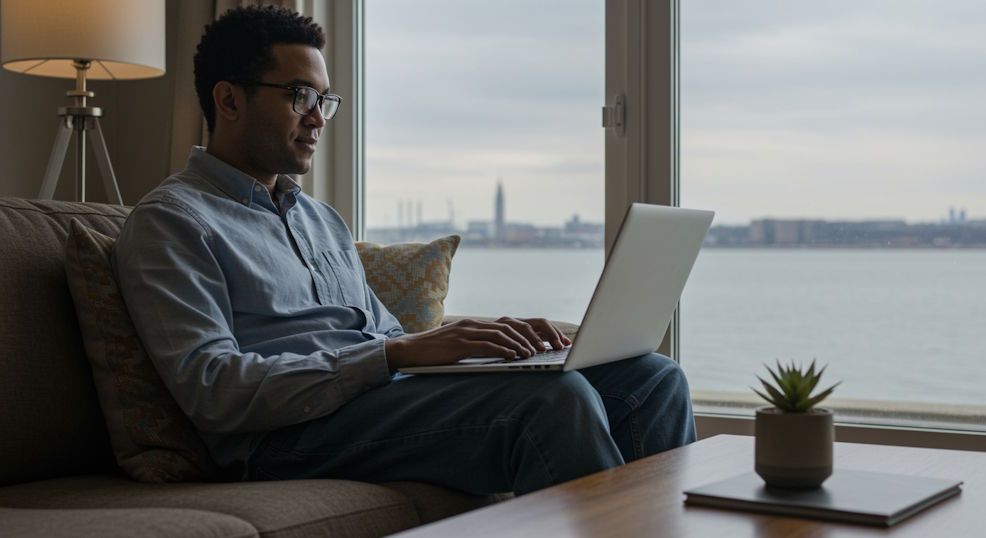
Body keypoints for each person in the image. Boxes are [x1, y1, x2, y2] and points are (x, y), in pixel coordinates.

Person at [113, 5, 696, 495]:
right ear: (229, 100)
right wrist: (394, 357)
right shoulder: (172, 222)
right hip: (282, 439)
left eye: (325, 100)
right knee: (553, 402)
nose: (319, 119)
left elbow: (387, 338)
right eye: (299, 96)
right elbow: (213, 389)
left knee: (651, 377)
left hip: (377, 400)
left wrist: (488, 352)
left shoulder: (320, 220)